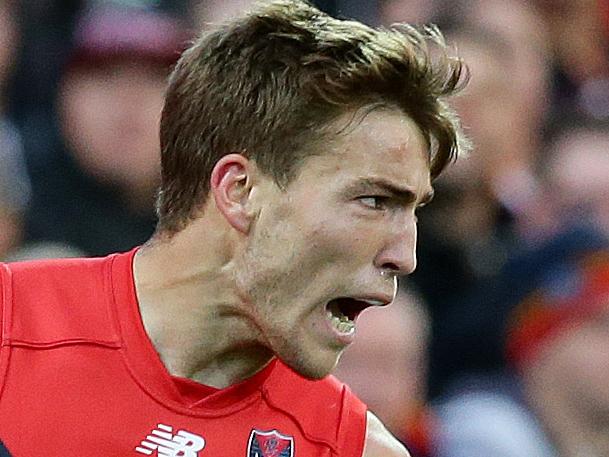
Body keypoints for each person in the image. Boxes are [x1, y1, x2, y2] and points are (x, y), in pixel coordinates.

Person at [0, 0, 469, 455]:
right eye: (374, 201)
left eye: (413, 210)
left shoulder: (348, 448)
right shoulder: (11, 328)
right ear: (240, 191)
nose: (405, 256)